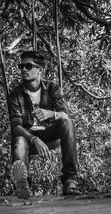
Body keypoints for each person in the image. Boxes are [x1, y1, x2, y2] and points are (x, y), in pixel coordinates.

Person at [8, 50, 80, 199]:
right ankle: (23, 185)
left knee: (67, 122)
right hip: (28, 137)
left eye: (28, 66)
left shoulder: (52, 88)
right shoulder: (16, 94)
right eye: (21, 66)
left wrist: (51, 114)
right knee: (20, 141)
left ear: (39, 69)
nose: (24, 70)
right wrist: (34, 139)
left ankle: (70, 179)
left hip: (50, 134)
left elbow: (65, 115)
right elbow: (15, 126)